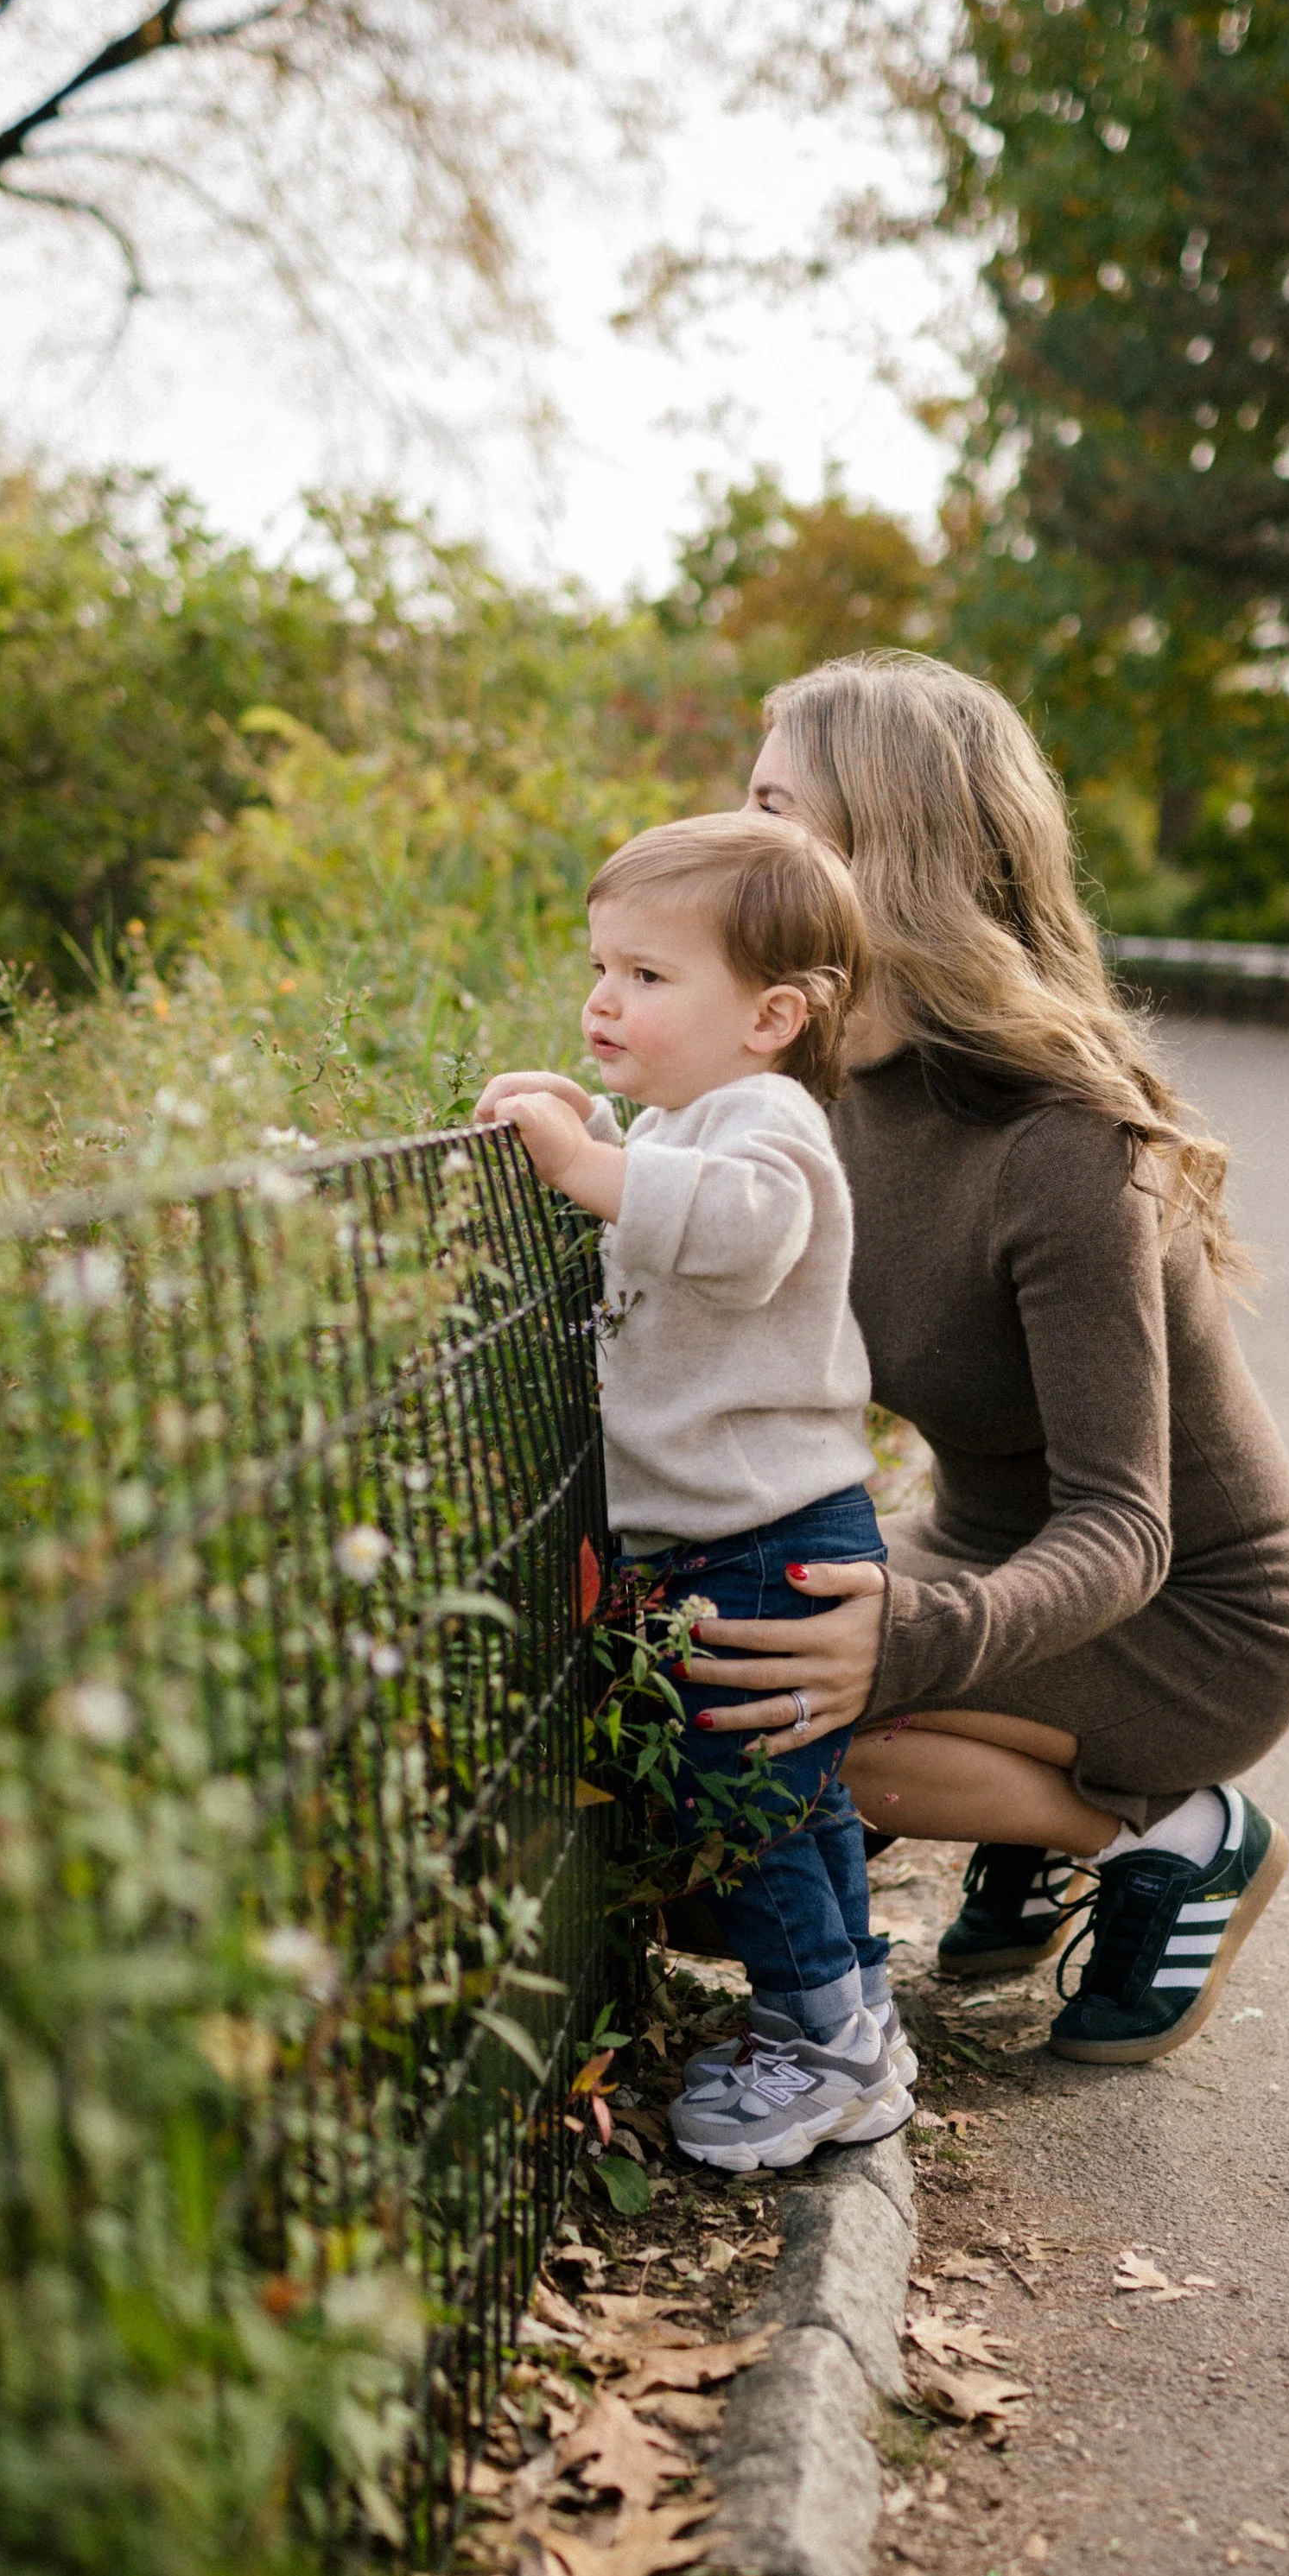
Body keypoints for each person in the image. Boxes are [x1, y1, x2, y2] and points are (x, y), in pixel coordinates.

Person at [673, 654, 1289, 2063]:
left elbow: (1128, 1525)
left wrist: (903, 1638)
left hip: (1184, 1622)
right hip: (980, 1551)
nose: (735, 842)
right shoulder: (811, 1088)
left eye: (775, 808)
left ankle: (1176, 1831)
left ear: (886, 846)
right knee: (705, 1657)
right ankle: (1033, 1833)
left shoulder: (1062, 1145)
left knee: (787, 1718)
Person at [473, 810, 916, 2170]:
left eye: (650, 977)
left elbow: (738, 1225)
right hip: (739, 1527)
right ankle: (854, 2020)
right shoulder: (708, 1112)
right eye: (601, 966)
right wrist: (592, 1126)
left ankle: (815, 2044)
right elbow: (672, 1205)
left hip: (760, 1539)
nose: (606, 997)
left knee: (746, 1796)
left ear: (773, 1015)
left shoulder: (773, 1121)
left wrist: (589, 1165)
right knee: (798, 1792)